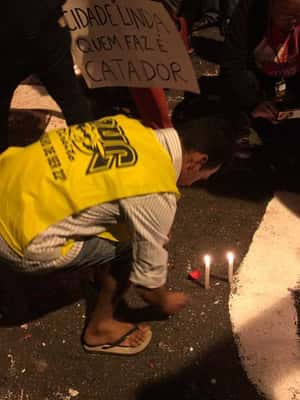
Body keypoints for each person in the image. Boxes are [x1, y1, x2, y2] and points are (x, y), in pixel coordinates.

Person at [0, 113, 234, 355]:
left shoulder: (127, 125)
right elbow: (147, 285)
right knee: (131, 246)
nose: (199, 181)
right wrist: (166, 301)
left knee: (123, 219)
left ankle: (98, 270)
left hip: (6, 180)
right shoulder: (157, 190)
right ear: (197, 161)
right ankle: (100, 328)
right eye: (206, 175)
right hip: (16, 239)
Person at [0, 0, 93, 152]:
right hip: (46, 30)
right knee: (72, 100)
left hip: (8, 41)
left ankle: (4, 167)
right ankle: (91, 149)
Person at [221, 0, 300, 157]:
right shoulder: (249, 12)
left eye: (297, 15)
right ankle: (240, 130)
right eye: (285, 14)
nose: (292, 21)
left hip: (294, 79)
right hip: (258, 78)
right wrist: (254, 102)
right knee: (234, 88)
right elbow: (233, 63)